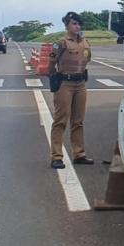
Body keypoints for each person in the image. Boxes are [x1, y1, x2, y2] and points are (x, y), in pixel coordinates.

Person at [49, 12, 94, 169]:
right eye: (74, 23)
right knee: (60, 121)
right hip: (65, 84)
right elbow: (51, 62)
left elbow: (87, 60)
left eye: (79, 24)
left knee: (78, 121)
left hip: (80, 84)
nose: (77, 26)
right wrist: (54, 79)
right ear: (67, 25)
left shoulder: (85, 42)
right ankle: (56, 156)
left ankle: (79, 154)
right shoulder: (60, 43)